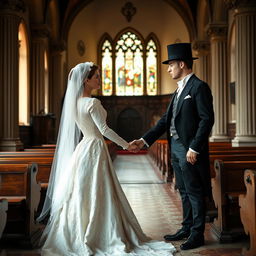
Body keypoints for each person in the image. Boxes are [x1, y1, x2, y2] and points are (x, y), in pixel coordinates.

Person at [37, 62, 176, 255]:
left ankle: (80, 230)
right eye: (96, 77)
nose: (99, 80)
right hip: (94, 148)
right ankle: (99, 233)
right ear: (86, 80)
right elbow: (104, 130)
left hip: (84, 148)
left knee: (83, 191)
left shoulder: (74, 103)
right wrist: (126, 144)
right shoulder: (92, 103)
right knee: (98, 189)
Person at [131, 43, 214, 250]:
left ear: (182, 64)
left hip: (189, 150)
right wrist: (144, 140)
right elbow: (165, 121)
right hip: (175, 149)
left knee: (195, 192)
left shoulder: (198, 87)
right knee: (183, 190)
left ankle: (197, 235)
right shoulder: (178, 91)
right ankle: (186, 228)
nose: (168, 69)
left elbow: (206, 119)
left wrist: (195, 148)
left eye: (171, 65)